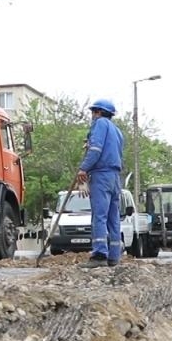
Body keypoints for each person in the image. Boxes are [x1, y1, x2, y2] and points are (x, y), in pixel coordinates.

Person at [74, 99, 125, 268]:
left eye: (93, 112)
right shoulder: (117, 131)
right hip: (115, 177)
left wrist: (83, 169)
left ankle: (99, 255)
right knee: (113, 218)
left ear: (99, 112)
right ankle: (114, 256)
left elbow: (96, 150)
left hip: (101, 175)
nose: (92, 116)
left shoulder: (100, 124)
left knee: (99, 216)